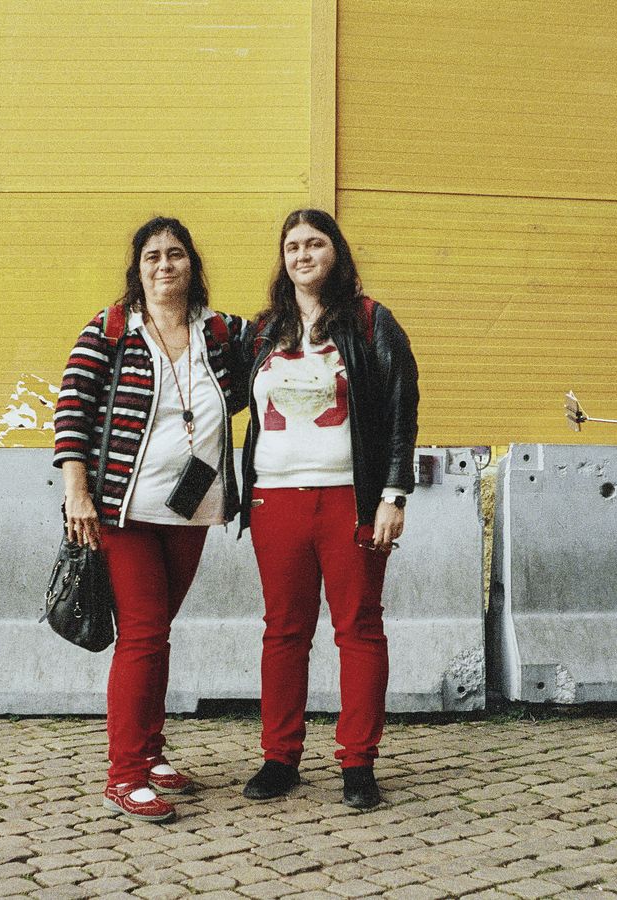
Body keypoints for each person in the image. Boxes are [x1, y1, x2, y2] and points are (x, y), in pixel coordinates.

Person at [53, 217, 246, 823]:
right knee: (142, 635)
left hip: (191, 510)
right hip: (125, 511)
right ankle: (125, 773)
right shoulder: (110, 329)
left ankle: (151, 751)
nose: (165, 266)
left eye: (177, 255)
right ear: (138, 270)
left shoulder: (220, 332)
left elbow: (275, 350)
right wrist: (76, 493)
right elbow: (72, 411)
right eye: (153, 257)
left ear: (194, 265)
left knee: (157, 630)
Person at [239, 209, 419, 809]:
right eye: (292, 246)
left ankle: (358, 762)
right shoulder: (263, 331)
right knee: (283, 632)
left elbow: (400, 409)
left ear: (335, 252)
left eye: (314, 243)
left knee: (359, 628)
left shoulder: (370, 322)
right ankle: (278, 757)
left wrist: (393, 494)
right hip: (274, 498)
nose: (302, 254)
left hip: (350, 498)